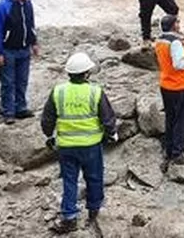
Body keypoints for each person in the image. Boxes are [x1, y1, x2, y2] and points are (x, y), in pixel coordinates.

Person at [41, 53, 118, 234]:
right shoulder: (95, 92)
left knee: (69, 180)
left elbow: (47, 119)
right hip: (91, 145)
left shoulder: (58, 91)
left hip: (66, 146)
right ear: (86, 74)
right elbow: (107, 117)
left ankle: (69, 216)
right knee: (94, 176)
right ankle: (94, 208)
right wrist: (112, 134)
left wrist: (48, 135)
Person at [0, 0, 39, 124]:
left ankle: (21, 108)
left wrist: (34, 43)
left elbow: (30, 25)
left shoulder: (27, 4)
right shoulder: (2, 7)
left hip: (24, 49)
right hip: (7, 50)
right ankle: (8, 112)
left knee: (22, 81)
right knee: (8, 82)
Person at [154, 14, 184, 172]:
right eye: (177, 22)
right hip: (179, 85)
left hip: (166, 84)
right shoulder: (175, 43)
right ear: (173, 26)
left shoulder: (160, 41)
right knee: (182, 119)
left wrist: (183, 43)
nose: (179, 24)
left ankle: (169, 148)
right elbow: (179, 64)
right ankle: (178, 152)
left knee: (171, 117)